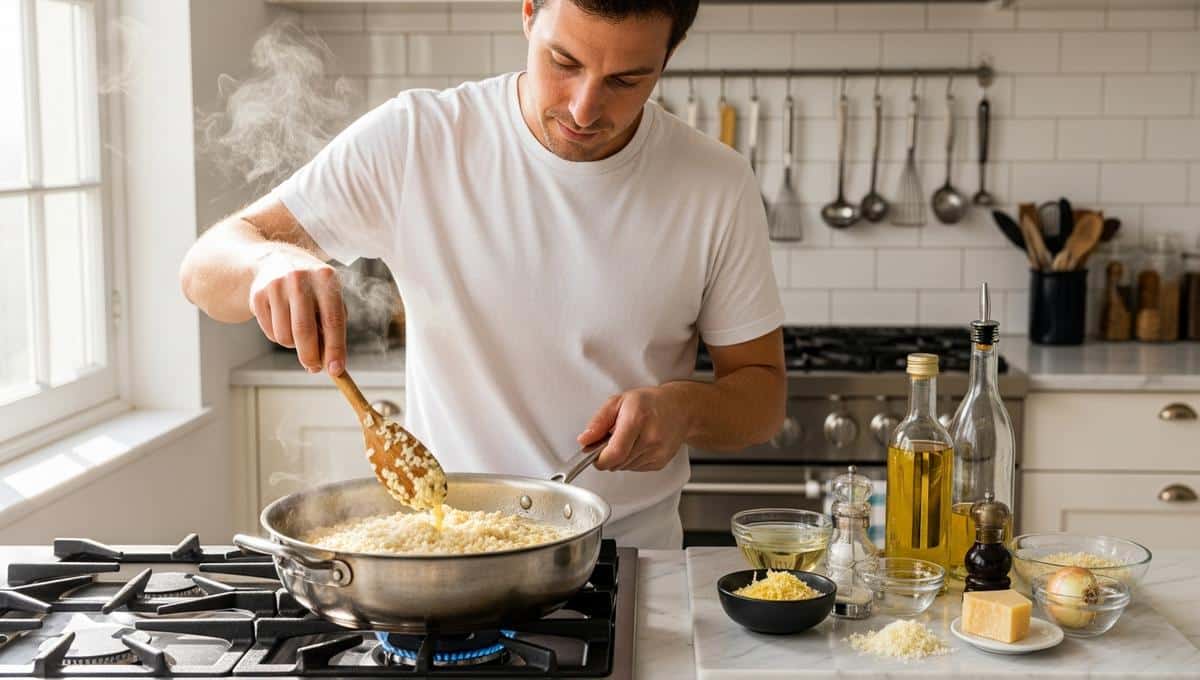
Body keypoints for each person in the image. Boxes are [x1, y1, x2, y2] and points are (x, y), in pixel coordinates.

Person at [179, 0, 786, 549]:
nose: (584, 107)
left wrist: (684, 410)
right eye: (564, 61)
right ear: (528, 12)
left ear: (669, 56)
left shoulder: (716, 184)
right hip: (450, 553)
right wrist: (268, 261)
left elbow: (761, 400)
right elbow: (204, 269)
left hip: (631, 560)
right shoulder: (418, 139)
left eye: (627, 80)